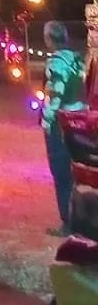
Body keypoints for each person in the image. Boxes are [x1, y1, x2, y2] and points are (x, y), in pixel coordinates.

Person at [41, 20, 86, 236]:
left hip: (60, 123)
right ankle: (79, 218)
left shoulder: (56, 62)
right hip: (78, 121)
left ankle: (67, 222)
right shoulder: (77, 59)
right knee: (75, 174)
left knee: (60, 174)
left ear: (49, 39)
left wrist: (46, 121)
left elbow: (55, 96)